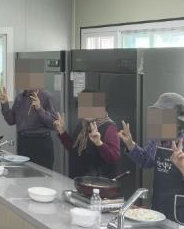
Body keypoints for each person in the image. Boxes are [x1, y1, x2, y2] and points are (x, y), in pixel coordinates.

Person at [118, 93, 184, 222]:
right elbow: (146, 161)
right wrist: (130, 144)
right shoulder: (157, 139)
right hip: (158, 206)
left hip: (180, 213)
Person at [53, 105, 120, 179]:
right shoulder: (83, 125)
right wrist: (62, 132)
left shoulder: (109, 127)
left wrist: (99, 143)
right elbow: (74, 150)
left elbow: (113, 158)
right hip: (80, 178)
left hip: (99, 181)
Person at [0, 86, 56, 170]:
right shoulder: (19, 98)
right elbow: (11, 121)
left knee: (43, 175)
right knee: (24, 174)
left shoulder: (46, 97)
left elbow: (53, 124)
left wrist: (39, 108)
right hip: (23, 143)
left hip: (41, 144)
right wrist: (5, 104)